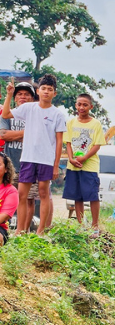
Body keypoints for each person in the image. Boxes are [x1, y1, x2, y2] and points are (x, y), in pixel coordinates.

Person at [1, 76, 67, 235]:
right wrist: (9, 94)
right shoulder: (29, 108)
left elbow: (59, 141)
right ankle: (20, 231)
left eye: (50, 89)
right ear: (38, 91)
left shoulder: (58, 114)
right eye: (44, 88)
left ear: (54, 93)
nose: (46, 92)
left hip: (46, 159)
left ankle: (41, 231)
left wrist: (56, 165)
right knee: (22, 195)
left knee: (44, 194)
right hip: (28, 158)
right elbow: (6, 114)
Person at [64, 92, 105, 229]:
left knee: (92, 195)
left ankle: (95, 226)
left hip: (89, 166)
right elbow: (68, 143)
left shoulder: (96, 124)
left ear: (91, 106)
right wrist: (70, 158)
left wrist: (85, 157)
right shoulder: (70, 122)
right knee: (77, 196)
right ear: (76, 105)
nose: (82, 107)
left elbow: (97, 144)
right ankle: (81, 225)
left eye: (85, 105)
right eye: (79, 104)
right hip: (73, 166)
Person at [0, 82, 35, 225]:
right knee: (7, 198)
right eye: (19, 94)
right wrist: (29, 133)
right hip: (10, 164)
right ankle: (5, 229)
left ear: (32, 98)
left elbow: (39, 136)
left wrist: (13, 134)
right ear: (14, 98)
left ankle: (24, 231)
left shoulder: (36, 115)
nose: (23, 97)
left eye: (26, 94)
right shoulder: (7, 114)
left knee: (29, 199)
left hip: (30, 163)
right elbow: (4, 135)